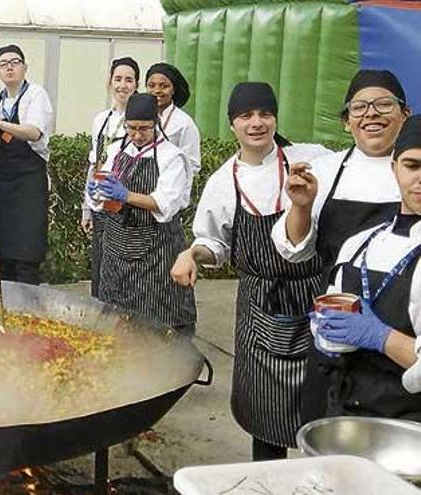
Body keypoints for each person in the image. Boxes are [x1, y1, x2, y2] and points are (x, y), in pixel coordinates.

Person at [171, 82, 330, 460]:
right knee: (264, 410)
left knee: (319, 410)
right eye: (246, 116)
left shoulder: (311, 160)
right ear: (233, 125)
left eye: (265, 114)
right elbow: (214, 244)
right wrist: (192, 254)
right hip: (259, 303)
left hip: (314, 298)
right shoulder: (224, 182)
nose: (256, 123)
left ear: (275, 118)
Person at [272, 69, 409, 422]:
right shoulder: (326, 170)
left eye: (384, 105)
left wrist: (379, 334)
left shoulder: (414, 174)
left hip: (403, 339)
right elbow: (295, 248)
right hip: (336, 326)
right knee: (327, 436)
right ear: (347, 122)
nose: (371, 114)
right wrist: (301, 205)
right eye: (359, 107)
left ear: (404, 115)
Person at [313, 114, 421, 420]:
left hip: (409, 429)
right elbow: (333, 306)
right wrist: (326, 332)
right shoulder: (359, 244)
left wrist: (380, 336)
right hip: (346, 415)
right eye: (412, 165)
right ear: (394, 168)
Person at [90, 93, 195, 334]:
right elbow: (103, 191)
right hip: (116, 249)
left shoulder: (171, 157)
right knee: (117, 321)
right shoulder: (117, 149)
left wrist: (126, 196)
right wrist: (96, 192)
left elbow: (165, 203)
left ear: (156, 123)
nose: (137, 135)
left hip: (155, 251)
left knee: (154, 323)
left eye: (144, 129)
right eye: (131, 128)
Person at [0, 44, 55, 285]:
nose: (9, 67)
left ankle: (29, 310)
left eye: (15, 62)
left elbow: (33, 132)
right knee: (5, 251)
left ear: (25, 67)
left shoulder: (35, 95)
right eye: (3, 63)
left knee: (26, 252)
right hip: (4, 181)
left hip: (29, 182)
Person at [82, 56, 139, 297]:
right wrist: (86, 206)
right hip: (100, 202)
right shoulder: (101, 119)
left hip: (123, 203)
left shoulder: (140, 121)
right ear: (109, 82)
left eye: (129, 80)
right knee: (99, 264)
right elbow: (94, 163)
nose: (122, 85)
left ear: (137, 85)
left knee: (119, 269)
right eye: (118, 79)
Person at [145, 63, 201, 174]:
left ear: (173, 89)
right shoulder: (139, 117)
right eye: (152, 85)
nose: (157, 90)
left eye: (164, 86)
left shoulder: (184, 123)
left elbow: (194, 165)